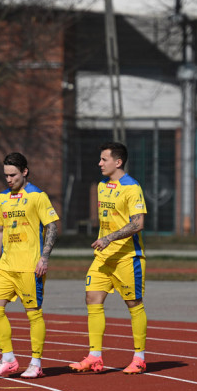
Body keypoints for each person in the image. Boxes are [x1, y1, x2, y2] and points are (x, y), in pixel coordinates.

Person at [69, 142, 148, 375]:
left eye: (104, 159)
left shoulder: (132, 188)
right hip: (103, 257)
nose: (99, 163)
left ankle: (139, 357)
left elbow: (138, 223)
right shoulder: (102, 185)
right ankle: (95, 356)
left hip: (127, 257)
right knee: (92, 299)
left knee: (134, 304)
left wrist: (109, 238)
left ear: (118, 162)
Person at [0, 152, 60, 379]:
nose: (9, 179)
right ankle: (8, 359)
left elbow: (53, 226)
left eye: (13, 175)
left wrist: (44, 258)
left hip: (30, 266)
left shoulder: (38, 196)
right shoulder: (1, 198)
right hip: (6, 266)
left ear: (24, 172)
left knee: (33, 314)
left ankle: (36, 363)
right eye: (6, 175)